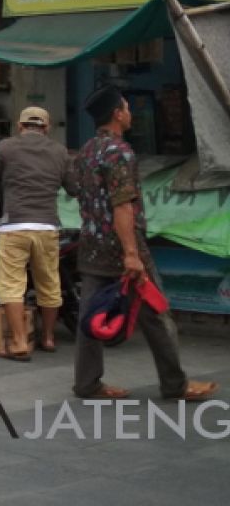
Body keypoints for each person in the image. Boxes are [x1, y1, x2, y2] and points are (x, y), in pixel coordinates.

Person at [71, 85, 217, 401]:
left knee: (90, 318)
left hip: (92, 247)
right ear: (117, 114)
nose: (130, 113)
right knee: (158, 313)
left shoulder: (86, 151)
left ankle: (86, 383)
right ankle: (175, 385)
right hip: (123, 248)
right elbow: (122, 205)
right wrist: (132, 254)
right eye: (126, 107)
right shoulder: (119, 153)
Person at [0, 109, 79, 361]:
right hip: (47, 227)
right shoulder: (59, 151)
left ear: (20, 126)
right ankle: (48, 337)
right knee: (49, 284)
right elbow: (74, 188)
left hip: (15, 226)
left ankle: (20, 341)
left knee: (11, 285)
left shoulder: (7, 147)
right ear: (46, 127)